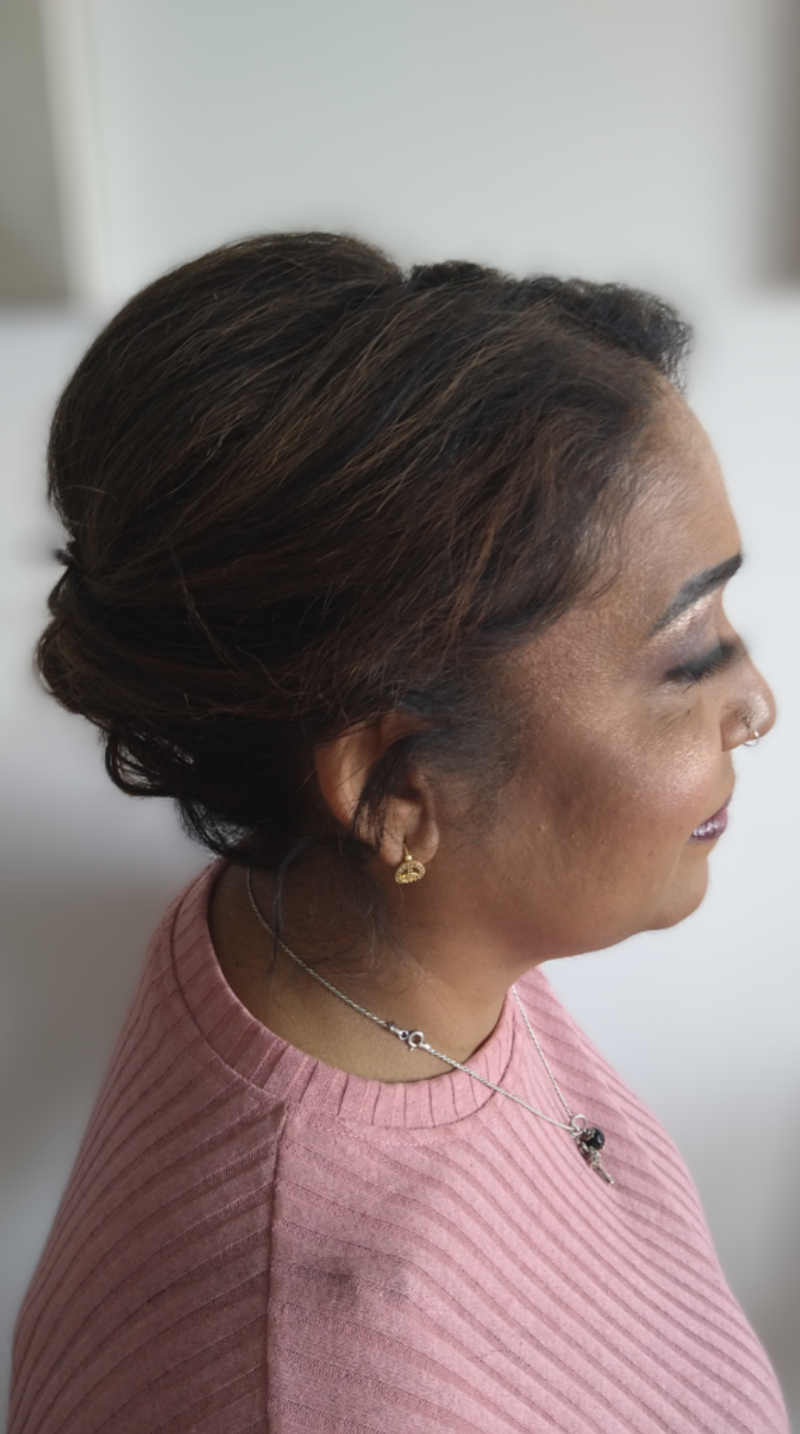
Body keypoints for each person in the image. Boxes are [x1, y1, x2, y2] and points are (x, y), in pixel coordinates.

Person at [8, 233, 788, 1434]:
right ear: (393, 790)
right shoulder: (320, 1383)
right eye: (688, 657)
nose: (756, 705)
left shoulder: (308, 927)